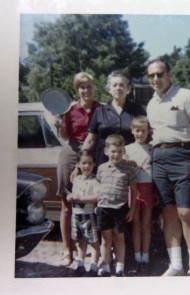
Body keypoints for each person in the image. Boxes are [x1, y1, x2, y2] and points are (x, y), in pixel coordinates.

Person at [146, 58, 190, 276]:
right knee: (169, 212)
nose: (156, 78)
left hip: (185, 156)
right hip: (160, 159)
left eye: (160, 74)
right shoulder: (151, 103)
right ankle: (176, 265)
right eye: (151, 75)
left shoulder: (185, 95)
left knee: (187, 212)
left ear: (169, 74)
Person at [56, 72, 101, 266]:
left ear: (94, 88)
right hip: (73, 152)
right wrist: (59, 124)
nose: (86, 90)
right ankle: (68, 250)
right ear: (77, 90)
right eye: (82, 87)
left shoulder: (102, 108)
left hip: (95, 153)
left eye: (89, 86)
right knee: (68, 204)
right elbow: (66, 136)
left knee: (98, 202)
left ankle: (97, 251)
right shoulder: (70, 110)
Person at [80, 70, 146, 167]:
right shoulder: (100, 111)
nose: (118, 88)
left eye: (121, 85)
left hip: (130, 161)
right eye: (114, 85)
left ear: (128, 89)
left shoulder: (137, 110)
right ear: (109, 89)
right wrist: (80, 163)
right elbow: (90, 140)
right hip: (103, 161)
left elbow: (146, 135)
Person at [96, 134, 137, 277]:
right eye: (113, 151)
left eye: (120, 151)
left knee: (119, 238)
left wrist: (131, 210)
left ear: (123, 151)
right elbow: (98, 186)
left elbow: (133, 191)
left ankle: (120, 268)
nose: (116, 154)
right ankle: (105, 266)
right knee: (106, 239)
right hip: (104, 208)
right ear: (106, 151)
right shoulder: (101, 168)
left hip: (120, 208)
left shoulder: (128, 170)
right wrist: (97, 204)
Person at [124, 116, 156, 276]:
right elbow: (123, 169)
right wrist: (128, 165)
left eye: (143, 130)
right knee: (135, 225)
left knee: (147, 225)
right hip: (134, 189)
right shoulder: (127, 149)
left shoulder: (152, 148)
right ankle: (137, 259)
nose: (140, 133)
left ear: (148, 131)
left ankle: (146, 258)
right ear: (132, 130)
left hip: (148, 189)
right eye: (137, 130)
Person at [66, 149, 100, 276]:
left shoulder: (95, 180)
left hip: (89, 215)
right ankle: (80, 264)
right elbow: (72, 195)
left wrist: (82, 198)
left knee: (94, 241)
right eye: (84, 163)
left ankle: (94, 266)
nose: (87, 166)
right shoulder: (77, 179)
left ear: (94, 164)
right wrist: (70, 197)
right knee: (81, 240)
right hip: (77, 215)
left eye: (90, 163)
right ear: (78, 164)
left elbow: (97, 197)